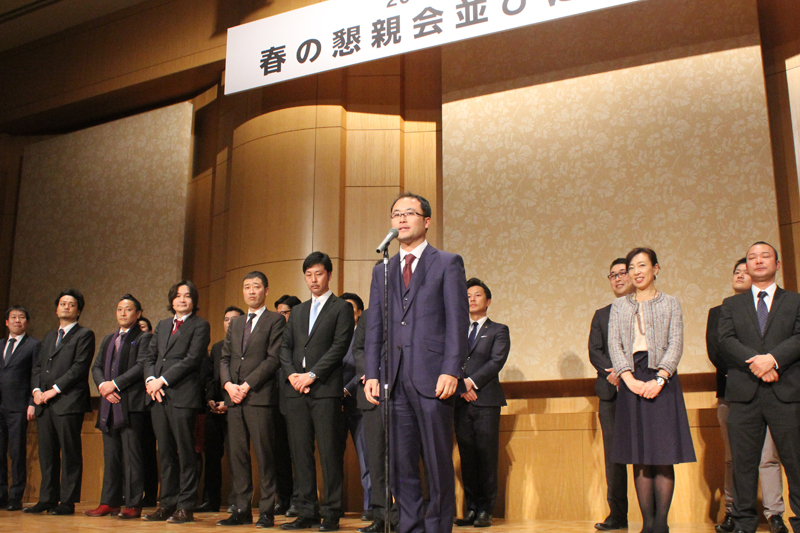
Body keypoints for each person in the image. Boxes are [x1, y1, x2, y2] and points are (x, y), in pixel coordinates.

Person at [365, 192, 469, 533]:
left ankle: (437, 527)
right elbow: (375, 326)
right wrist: (371, 372)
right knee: (400, 463)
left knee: (437, 462)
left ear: (426, 221)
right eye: (396, 214)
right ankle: (409, 526)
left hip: (433, 377)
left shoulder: (447, 263)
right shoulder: (382, 270)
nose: (402, 219)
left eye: (409, 213)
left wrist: (451, 369)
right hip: (393, 380)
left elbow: (457, 321)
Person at [608, 248, 695, 533]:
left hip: (663, 381)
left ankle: (661, 524)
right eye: (631, 267)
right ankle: (647, 524)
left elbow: (676, 343)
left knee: (663, 455)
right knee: (640, 457)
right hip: (631, 379)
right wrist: (628, 379)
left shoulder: (670, 302)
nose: (636, 272)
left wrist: (660, 379)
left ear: (655, 269)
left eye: (642, 265)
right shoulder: (619, 306)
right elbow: (614, 345)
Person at [718, 241, 800, 533]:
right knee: (743, 464)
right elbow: (725, 340)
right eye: (752, 257)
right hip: (744, 394)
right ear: (747, 266)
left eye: (765, 256)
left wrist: (773, 360)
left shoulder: (795, 301)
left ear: (777, 264)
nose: (759, 260)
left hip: (786, 392)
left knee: (795, 462)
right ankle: (743, 523)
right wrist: (758, 363)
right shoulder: (732, 305)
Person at [280, 252, 354, 532]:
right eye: (308, 275)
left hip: (324, 389)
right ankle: (306, 511)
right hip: (296, 390)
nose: (313, 279)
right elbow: (285, 347)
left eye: (318, 274)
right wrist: (292, 375)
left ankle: (332, 513)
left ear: (329, 275)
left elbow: (339, 346)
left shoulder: (341, 308)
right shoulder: (298, 311)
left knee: (329, 453)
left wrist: (312, 375)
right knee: (300, 453)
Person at [140, 280, 211, 524]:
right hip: (158, 396)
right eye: (178, 295)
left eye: (187, 296)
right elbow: (150, 357)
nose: (182, 299)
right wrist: (151, 380)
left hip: (183, 395)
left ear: (194, 300)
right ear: (172, 300)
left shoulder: (200, 325)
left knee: (186, 452)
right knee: (166, 453)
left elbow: (192, 359)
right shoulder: (162, 325)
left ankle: (185, 506)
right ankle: (166, 504)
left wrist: (162, 380)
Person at [218, 271, 285, 528]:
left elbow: (273, 359)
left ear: (266, 290)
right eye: (247, 287)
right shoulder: (236, 323)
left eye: (256, 287)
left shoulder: (275, 320)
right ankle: (241, 509)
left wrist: (246, 385)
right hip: (234, 398)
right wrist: (228, 385)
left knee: (265, 456)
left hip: (259, 396)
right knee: (238, 457)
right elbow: (225, 358)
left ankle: (267, 511)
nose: (251, 291)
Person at [26, 289, 96, 515]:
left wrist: (53, 390)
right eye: (62, 304)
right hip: (44, 402)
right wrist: (37, 390)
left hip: (68, 401)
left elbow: (79, 368)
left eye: (71, 304)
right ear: (56, 310)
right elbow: (37, 367)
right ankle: (47, 498)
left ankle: (67, 501)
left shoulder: (84, 335)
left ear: (78, 311)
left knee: (70, 452)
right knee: (47, 453)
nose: (66, 307)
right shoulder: (49, 336)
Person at [86, 294, 152, 519]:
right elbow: (96, 367)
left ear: (138, 313)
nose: (123, 313)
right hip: (108, 403)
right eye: (119, 309)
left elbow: (141, 366)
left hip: (131, 405)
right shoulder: (108, 339)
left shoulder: (144, 338)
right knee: (111, 456)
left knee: (132, 456)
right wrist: (103, 386)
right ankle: (109, 502)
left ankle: (133, 503)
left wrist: (114, 384)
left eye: (128, 309)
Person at [453, 278, 510, 528]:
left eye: (477, 295)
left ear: (488, 301)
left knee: (486, 456)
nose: (472, 299)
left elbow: (496, 361)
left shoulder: (498, 330)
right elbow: (449, 360)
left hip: (486, 401)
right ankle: (472, 508)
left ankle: (486, 510)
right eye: (467, 296)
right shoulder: (455, 331)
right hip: (460, 402)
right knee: (467, 457)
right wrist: (460, 386)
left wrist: (470, 382)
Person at [588, 258, 633, 531]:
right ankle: (617, 514)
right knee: (613, 456)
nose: (617, 278)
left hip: (640, 391)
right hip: (610, 392)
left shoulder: (644, 309)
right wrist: (614, 372)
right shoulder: (601, 314)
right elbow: (595, 351)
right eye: (612, 275)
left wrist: (626, 371)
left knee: (644, 455)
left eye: (622, 273)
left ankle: (651, 515)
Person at [194, 305, 243, 514]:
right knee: (212, 457)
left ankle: (237, 500)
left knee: (236, 457)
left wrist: (228, 403)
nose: (229, 323)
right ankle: (210, 500)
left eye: (234, 319)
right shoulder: (216, 347)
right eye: (226, 319)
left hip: (237, 407)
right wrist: (210, 399)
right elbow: (209, 377)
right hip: (214, 409)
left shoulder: (246, 346)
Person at [0, 306, 41, 511]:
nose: (17, 320)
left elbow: (36, 373)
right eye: (13, 317)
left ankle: (15, 496)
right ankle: (1, 494)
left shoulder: (33, 345)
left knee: (16, 453)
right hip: (0, 405)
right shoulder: (0, 344)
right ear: (6, 322)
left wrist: (32, 402)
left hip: (18, 406)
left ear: (27, 322)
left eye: (22, 317)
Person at [340, 292, 372, 521]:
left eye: (349, 308)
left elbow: (365, 365)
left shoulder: (365, 334)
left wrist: (346, 389)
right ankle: (334, 507)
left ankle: (371, 506)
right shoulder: (331, 335)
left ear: (359, 312)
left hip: (358, 403)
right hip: (333, 406)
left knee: (366, 457)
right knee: (332, 459)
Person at [274, 294, 303, 516]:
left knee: (298, 452)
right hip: (272, 399)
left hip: (295, 396)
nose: (280, 317)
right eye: (278, 313)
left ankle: (299, 500)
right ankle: (282, 498)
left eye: (284, 312)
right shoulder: (271, 333)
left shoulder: (300, 333)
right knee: (279, 454)